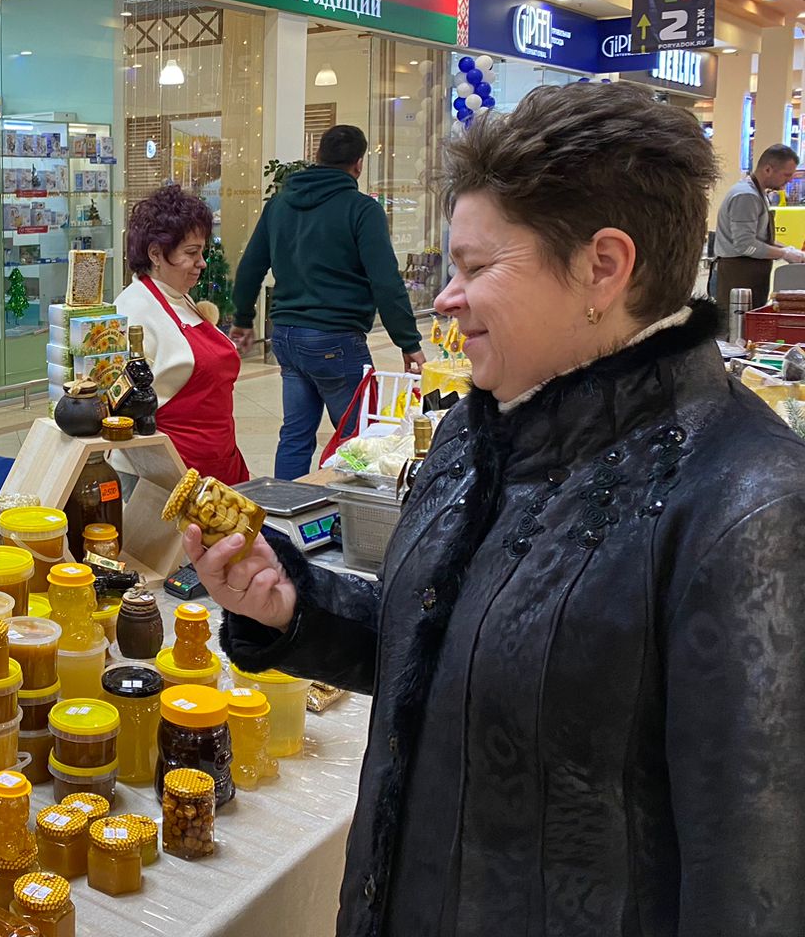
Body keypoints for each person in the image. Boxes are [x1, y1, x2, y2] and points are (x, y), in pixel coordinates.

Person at [190, 82, 805, 936]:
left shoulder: (748, 507)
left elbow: (755, 884)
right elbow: (449, 649)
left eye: (478, 268)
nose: (446, 297)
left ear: (604, 266)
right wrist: (295, 603)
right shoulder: (480, 426)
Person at [228, 125, 424, 481]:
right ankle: (349, 521)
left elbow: (250, 267)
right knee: (360, 439)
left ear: (317, 157)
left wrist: (242, 319)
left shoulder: (280, 204)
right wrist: (408, 342)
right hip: (336, 338)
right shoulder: (362, 210)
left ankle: (283, 519)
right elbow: (386, 280)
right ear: (358, 164)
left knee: (295, 435)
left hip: (286, 337)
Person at [113, 184, 248, 484]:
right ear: (156, 254)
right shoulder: (132, 309)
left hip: (216, 463)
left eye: (202, 252)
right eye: (191, 253)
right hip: (165, 477)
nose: (202, 263)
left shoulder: (180, 297)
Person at [712, 142, 803, 311]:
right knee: (735, 328)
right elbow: (746, 245)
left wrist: (790, 250)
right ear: (768, 169)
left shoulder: (759, 193)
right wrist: (785, 253)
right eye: (786, 175)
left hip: (752, 273)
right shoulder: (746, 196)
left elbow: (759, 238)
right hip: (739, 275)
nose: (790, 180)